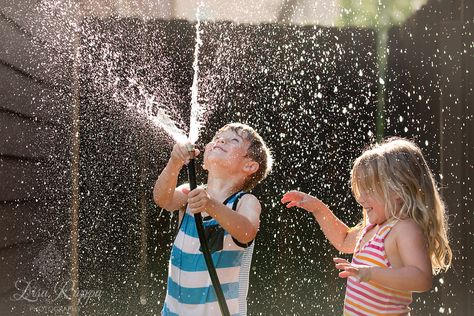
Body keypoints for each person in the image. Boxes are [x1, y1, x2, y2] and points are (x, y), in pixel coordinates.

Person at [281, 137, 452, 315]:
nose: (361, 198)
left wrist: (370, 273)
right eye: (360, 189)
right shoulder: (374, 228)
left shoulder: (404, 229)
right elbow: (344, 240)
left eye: (369, 189)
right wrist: (318, 208)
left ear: (398, 191)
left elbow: (421, 278)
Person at [154, 123, 272, 316]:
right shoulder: (188, 193)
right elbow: (162, 199)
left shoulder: (244, 202)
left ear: (249, 165)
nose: (221, 140)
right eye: (217, 137)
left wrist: (210, 205)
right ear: (204, 161)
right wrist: (174, 163)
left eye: (234, 140)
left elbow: (247, 231)